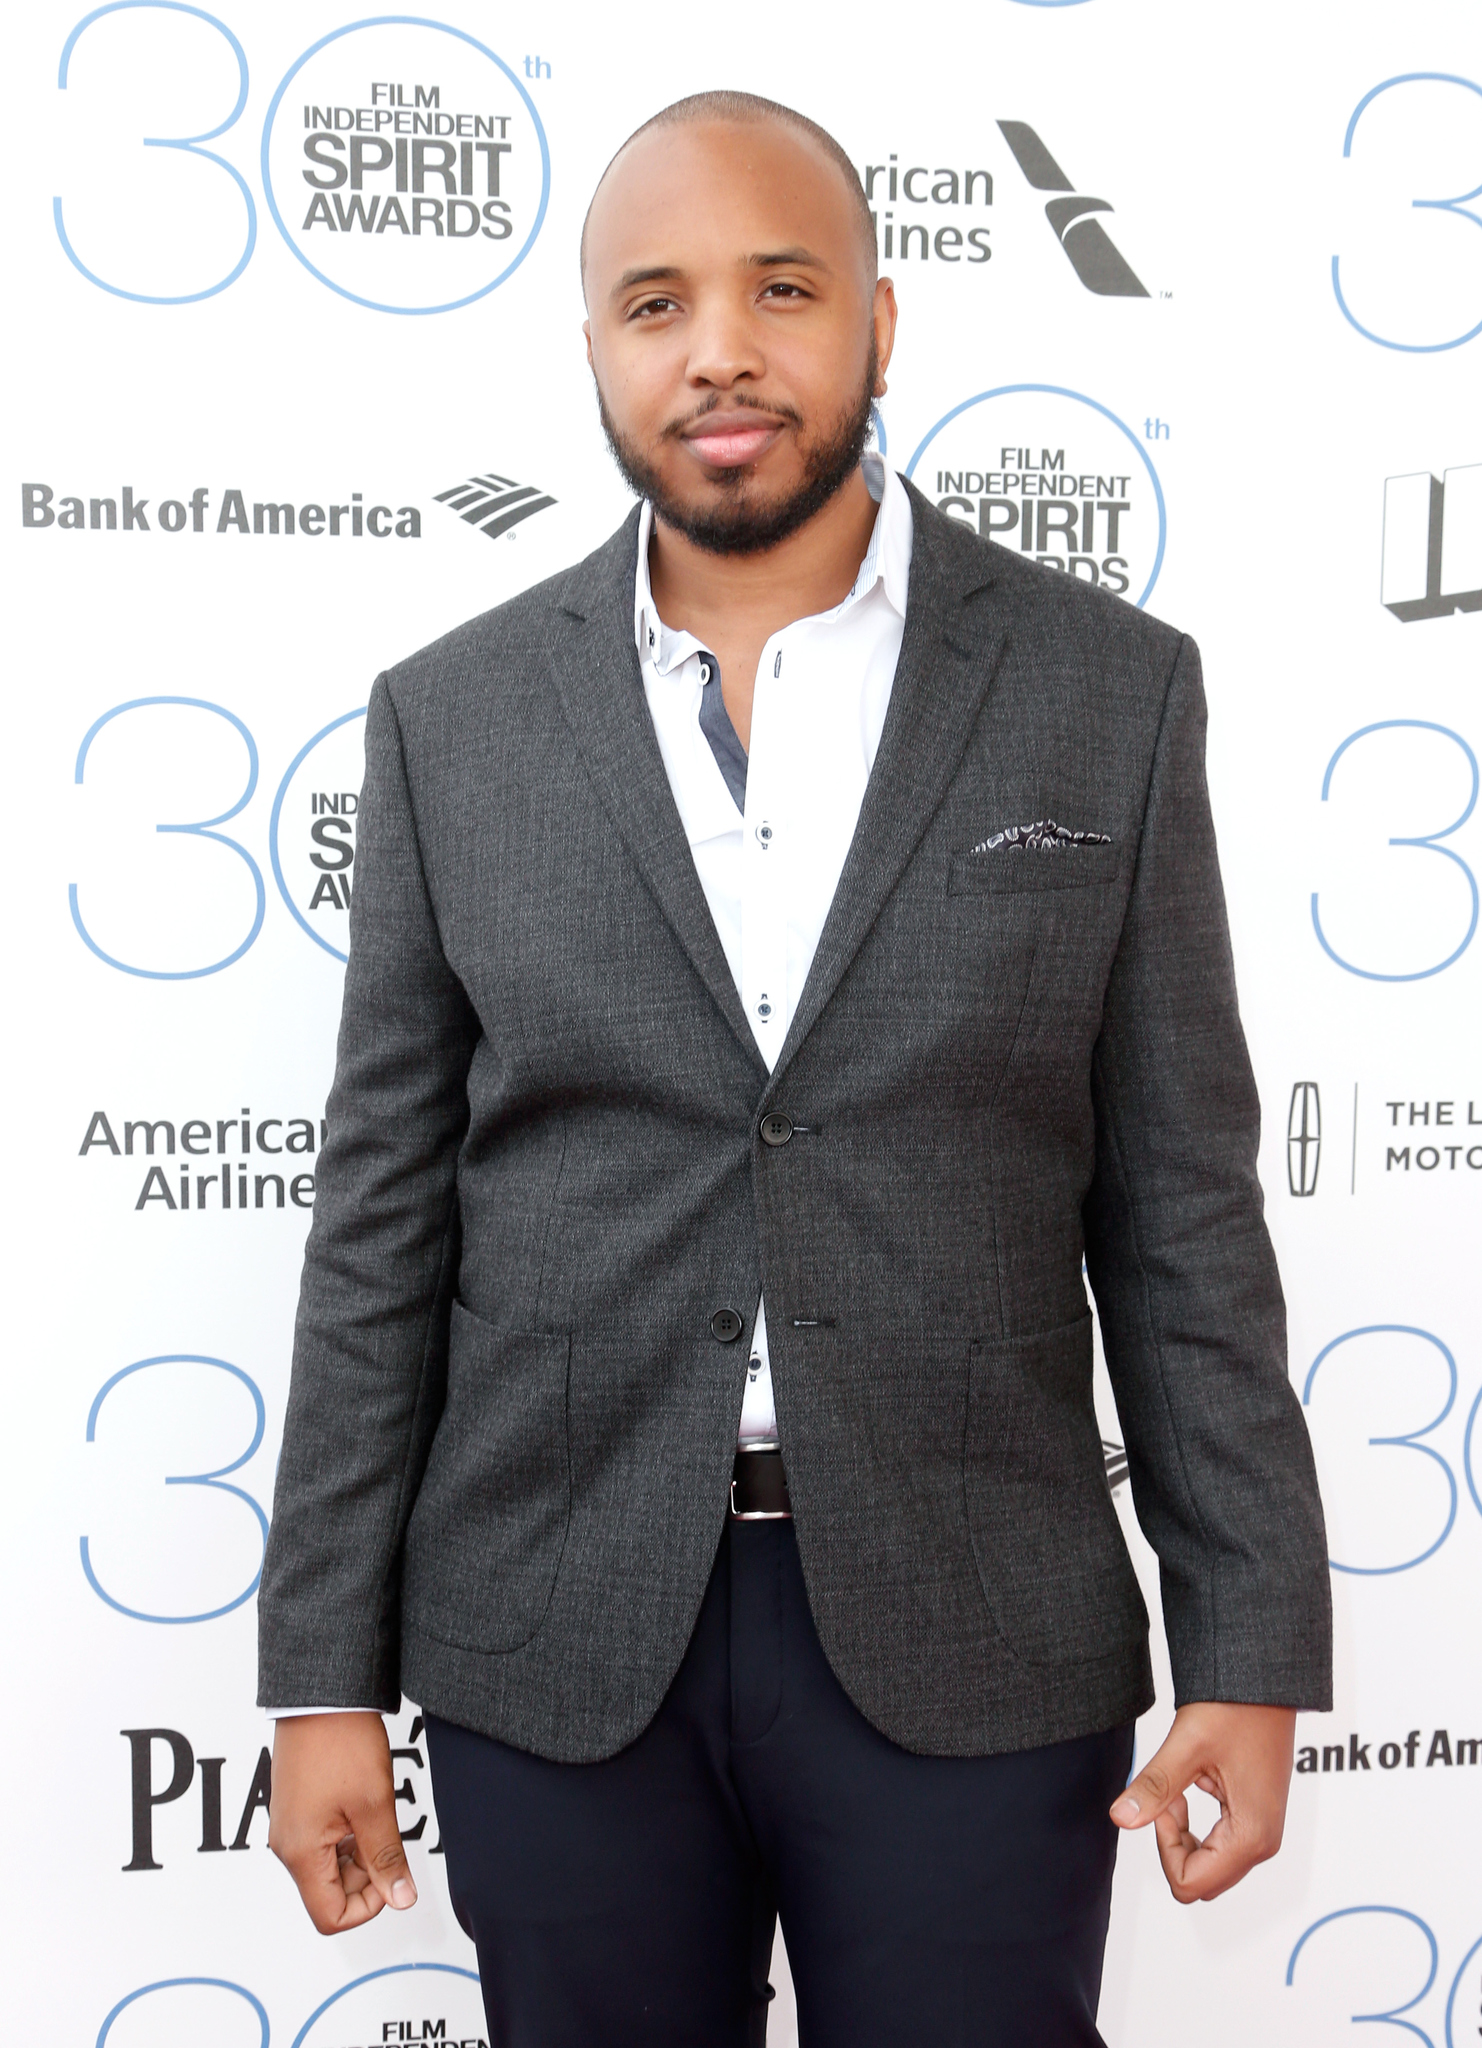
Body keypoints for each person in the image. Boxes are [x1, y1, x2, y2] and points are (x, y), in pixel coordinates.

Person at [259, 90, 1331, 2048]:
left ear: (881, 320)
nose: (720, 349)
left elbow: (1178, 1207)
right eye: (654, 303)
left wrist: (1247, 1642)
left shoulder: (1106, 692)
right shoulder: (451, 724)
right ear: (595, 349)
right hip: (557, 1627)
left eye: (782, 288)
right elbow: (380, 1228)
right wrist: (318, 1674)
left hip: (976, 1628)